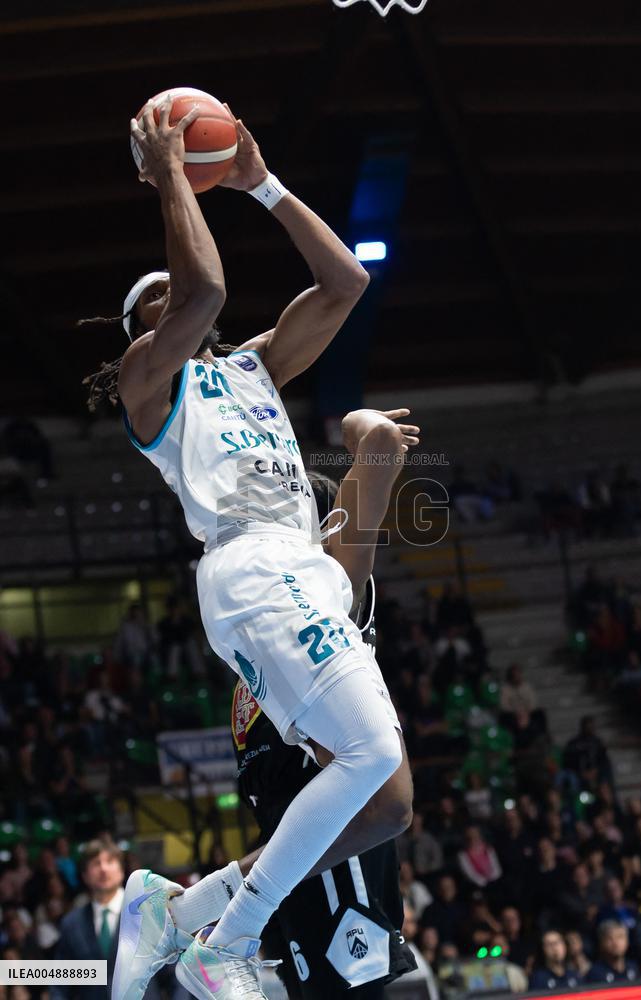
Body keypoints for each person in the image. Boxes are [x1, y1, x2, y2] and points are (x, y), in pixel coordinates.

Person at [99, 98, 416, 1000]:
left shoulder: (252, 370)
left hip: (301, 567)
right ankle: (225, 944)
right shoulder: (149, 388)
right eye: (157, 306)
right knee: (366, 766)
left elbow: (346, 284)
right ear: (144, 336)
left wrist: (259, 183)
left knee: (386, 802)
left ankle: (178, 912)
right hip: (249, 567)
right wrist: (170, 175)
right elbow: (202, 292)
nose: (179, 306)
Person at [226, 415, 418, 998]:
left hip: (343, 892)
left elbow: (379, 443)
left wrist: (355, 424)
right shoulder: (257, 633)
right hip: (295, 896)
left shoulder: (331, 595)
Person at [52, 838, 168, 1000]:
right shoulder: (72, 923)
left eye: (110, 861)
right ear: (85, 875)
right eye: (95, 863)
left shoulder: (150, 915)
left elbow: (174, 974)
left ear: (121, 870)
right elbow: (60, 982)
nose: (103, 869)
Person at [585, 919, 640, 984]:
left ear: (627, 941)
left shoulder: (634, 968)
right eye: (610, 938)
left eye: (620, 937)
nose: (616, 943)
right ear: (601, 943)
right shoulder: (595, 974)